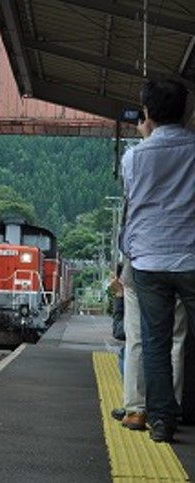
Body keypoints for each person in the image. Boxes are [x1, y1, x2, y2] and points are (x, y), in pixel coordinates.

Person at [120, 78, 195, 443]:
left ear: (147, 112)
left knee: (155, 341)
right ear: (186, 111)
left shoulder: (135, 156)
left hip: (149, 259)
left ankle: (162, 421)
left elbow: (134, 200)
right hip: (192, 256)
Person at [111, 258, 186, 432]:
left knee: (136, 339)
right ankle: (167, 413)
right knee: (175, 339)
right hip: (183, 263)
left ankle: (136, 411)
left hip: (142, 261)